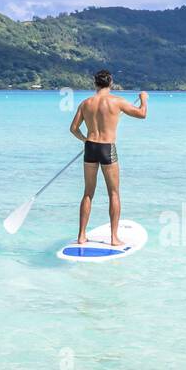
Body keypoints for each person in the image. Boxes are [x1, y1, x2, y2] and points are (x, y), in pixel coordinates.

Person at [69, 71, 147, 246]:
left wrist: (85, 139)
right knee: (113, 193)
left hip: (90, 147)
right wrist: (143, 98)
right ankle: (114, 238)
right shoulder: (116, 101)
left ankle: (81, 236)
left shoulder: (85, 103)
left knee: (88, 193)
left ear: (95, 83)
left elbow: (73, 128)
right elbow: (142, 114)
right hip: (107, 148)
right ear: (110, 83)